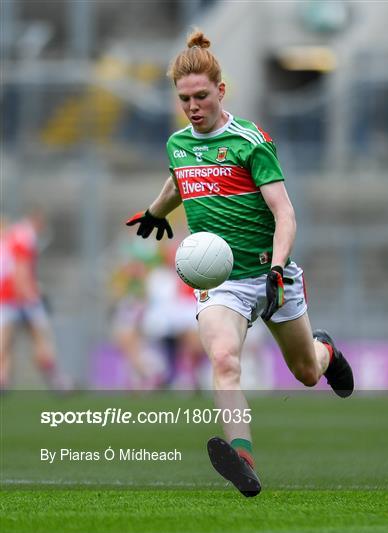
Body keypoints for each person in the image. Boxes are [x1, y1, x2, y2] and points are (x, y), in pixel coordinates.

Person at [126, 29, 354, 497]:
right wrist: (155, 211)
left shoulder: (251, 141)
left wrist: (277, 268)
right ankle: (243, 458)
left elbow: (284, 212)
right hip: (221, 282)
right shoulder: (177, 144)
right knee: (225, 359)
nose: (192, 106)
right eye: (184, 98)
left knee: (306, 372)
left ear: (221, 91)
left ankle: (324, 350)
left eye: (201, 96)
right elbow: (178, 182)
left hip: (273, 272)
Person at [0, 211, 70, 390]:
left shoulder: (11, 237)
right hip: (17, 298)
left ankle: (4, 380)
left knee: (6, 343)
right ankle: (57, 381)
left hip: (7, 298)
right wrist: (30, 295)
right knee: (42, 339)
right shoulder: (24, 237)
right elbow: (20, 270)